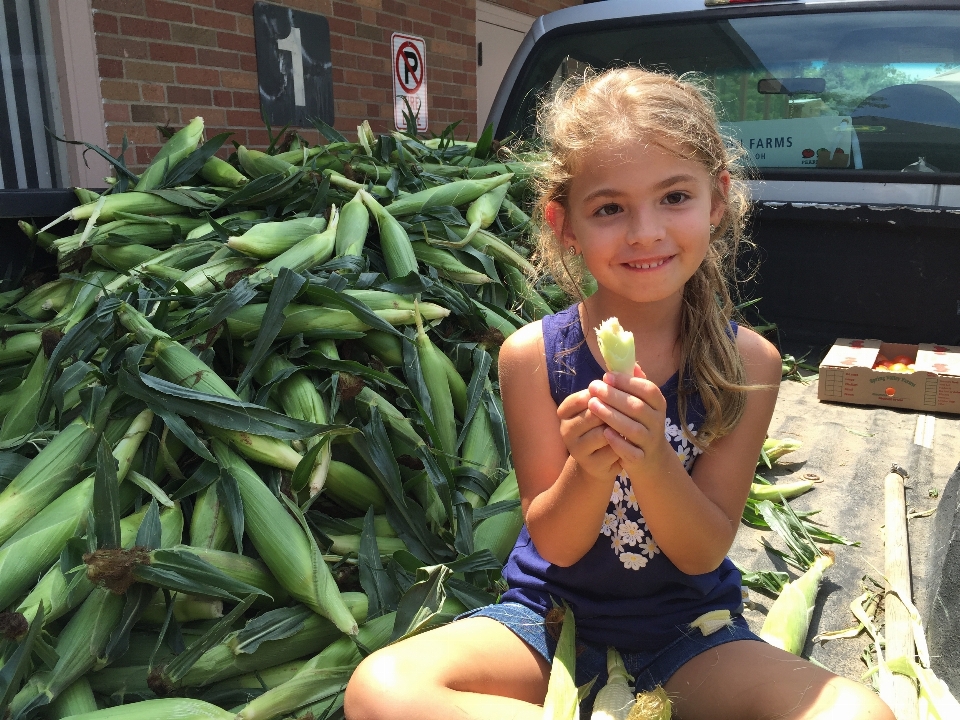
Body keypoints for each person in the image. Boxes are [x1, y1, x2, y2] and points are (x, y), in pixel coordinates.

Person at [344, 68, 894, 720]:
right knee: (380, 689)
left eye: (673, 197)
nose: (644, 232)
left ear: (716, 201)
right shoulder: (534, 357)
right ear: (565, 222)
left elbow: (703, 550)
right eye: (609, 208)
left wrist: (654, 460)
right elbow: (555, 543)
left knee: (860, 715)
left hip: (688, 635)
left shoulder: (750, 362)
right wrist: (588, 466)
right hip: (548, 626)